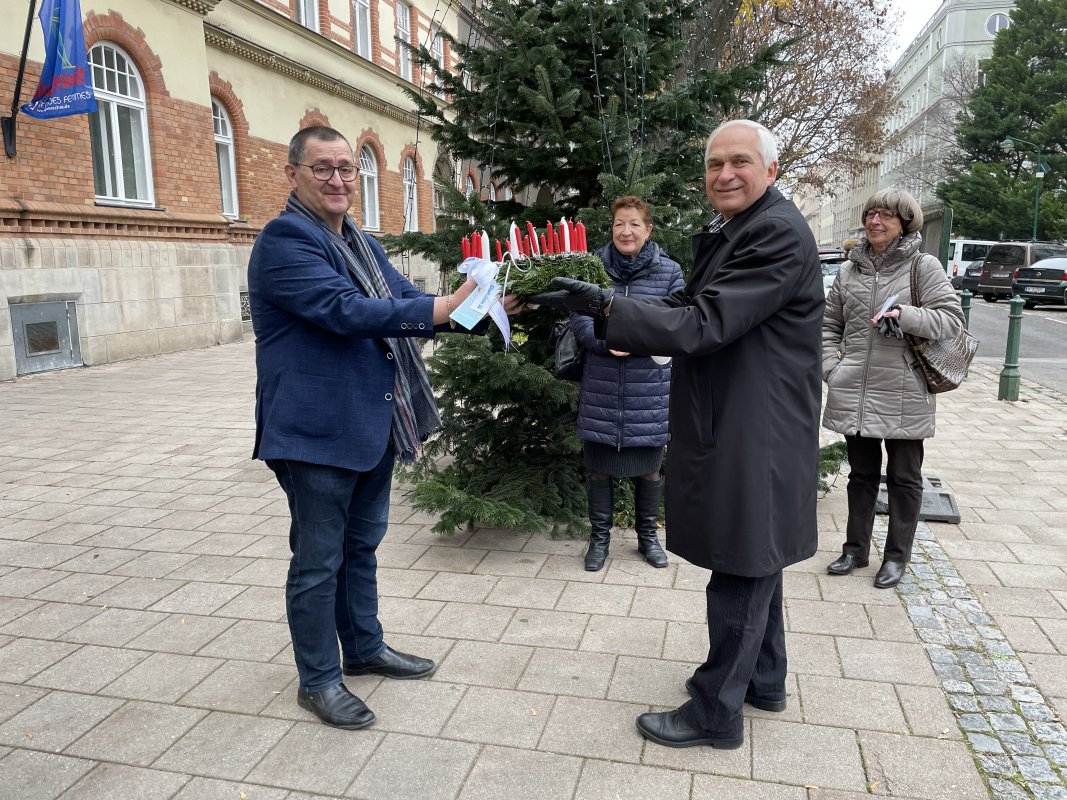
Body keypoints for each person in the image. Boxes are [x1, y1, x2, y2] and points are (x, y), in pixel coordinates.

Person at [531, 120, 823, 749]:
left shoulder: (772, 232)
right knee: (758, 551)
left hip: (758, 425)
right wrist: (603, 303)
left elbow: (705, 322)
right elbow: (687, 306)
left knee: (742, 560)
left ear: (771, 170)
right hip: (752, 416)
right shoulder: (741, 229)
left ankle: (716, 712)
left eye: (739, 162)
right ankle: (764, 679)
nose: (724, 175)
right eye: (715, 164)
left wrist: (608, 310)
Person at [248, 125, 518, 730]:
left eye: (347, 168)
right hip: (315, 432)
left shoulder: (363, 245)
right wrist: (444, 307)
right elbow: (348, 313)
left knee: (361, 548)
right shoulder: (286, 239)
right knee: (318, 561)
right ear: (293, 175)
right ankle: (318, 680)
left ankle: (364, 647)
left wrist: (489, 305)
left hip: (373, 421)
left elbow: (407, 302)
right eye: (324, 169)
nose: (340, 179)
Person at [822, 189, 964, 589]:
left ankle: (897, 557)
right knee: (861, 475)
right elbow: (828, 326)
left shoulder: (924, 267)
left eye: (886, 215)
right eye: (871, 214)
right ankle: (855, 549)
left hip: (906, 388)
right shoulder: (850, 271)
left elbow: (951, 321)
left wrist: (907, 315)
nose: (875, 221)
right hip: (855, 388)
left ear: (905, 223)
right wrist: (832, 368)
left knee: (905, 477)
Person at [572, 195, 684, 571]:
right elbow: (581, 323)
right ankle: (599, 541)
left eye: (635, 223)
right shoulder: (592, 268)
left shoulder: (669, 273)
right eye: (620, 223)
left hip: (648, 387)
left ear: (648, 229)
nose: (626, 231)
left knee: (650, 468)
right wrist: (607, 343)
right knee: (599, 468)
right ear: (612, 227)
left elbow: (677, 324)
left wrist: (631, 340)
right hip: (602, 383)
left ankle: (647, 538)